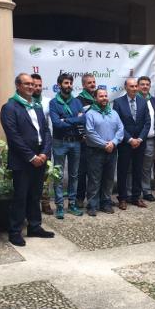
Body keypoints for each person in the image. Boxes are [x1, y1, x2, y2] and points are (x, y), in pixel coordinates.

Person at [0, 73, 54, 246]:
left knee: (35, 194)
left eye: (32, 84)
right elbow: (13, 136)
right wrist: (31, 157)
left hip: (40, 157)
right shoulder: (9, 107)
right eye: (27, 84)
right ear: (18, 85)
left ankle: (35, 226)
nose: (31, 87)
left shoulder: (37, 106)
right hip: (23, 160)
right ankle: (15, 231)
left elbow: (46, 131)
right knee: (21, 196)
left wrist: (44, 153)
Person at [49, 73, 85, 219]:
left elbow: (84, 120)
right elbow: (56, 123)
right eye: (66, 83)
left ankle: (71, 204)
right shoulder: (53, 103)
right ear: (59, 85)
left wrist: (66, 119)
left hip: (75, 142)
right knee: (58, 175)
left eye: (70, 83)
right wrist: (75, 119)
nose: (69, 85)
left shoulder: (77, 102)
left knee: (74, 175)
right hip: (59, 142)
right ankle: (59, 206)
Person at [84, 88, 124, 216]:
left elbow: (121, 129)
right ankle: (92, 205)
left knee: (108, 178)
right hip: (95, 151)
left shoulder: (113, 113)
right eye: (101, 96)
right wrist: (104, 144)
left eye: (106, 96)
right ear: (95, 98)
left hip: (112, 150)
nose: (104, 98)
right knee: (94, 179)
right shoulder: (90, 113)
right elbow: (89, 132)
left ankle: (105, 203)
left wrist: (113, 142)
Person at [113, 78, 151, 210]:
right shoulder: (118, 102)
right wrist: (130, 139)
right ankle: (122, 198)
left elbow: (147, 123)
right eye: (132, 86)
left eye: (136, 86)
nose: (135, 88)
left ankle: (136, 197)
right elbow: (118, 124)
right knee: (123, 170)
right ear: (126, 87)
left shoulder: (143, 101)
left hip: (140, 143)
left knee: (138, 170)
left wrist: (139, 139)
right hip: (125, 143)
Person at [31, 73, 53, 215]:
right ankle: (32, 203)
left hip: (45, 142)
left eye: (40, 85)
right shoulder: (26, 102)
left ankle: (45, 203)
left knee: (46, 175)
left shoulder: (47, 101)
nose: (37, 88)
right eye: (34, 85)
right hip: (31, 143)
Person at [76, 73, 97, 209]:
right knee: (82, 172)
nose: (93, 84)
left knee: (95, 173)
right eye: (89, 83)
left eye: (94, 82)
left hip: (97, 142)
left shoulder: (98, 98)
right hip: (84, 143)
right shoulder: (78, 100)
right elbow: (77, 121)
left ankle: (94, 199)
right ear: (83, 85)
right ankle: (79, 198)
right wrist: (82, 136)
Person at [136, 76, 155, 202]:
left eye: (147, 84)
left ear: (150, 86)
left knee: (147, 167)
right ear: (138, 86)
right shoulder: (134, 100)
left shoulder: (153, 100)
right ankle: (132, 191)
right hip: (136, 140)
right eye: (142, 84)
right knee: (133, 167)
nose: (145, 86)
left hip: (149, 139)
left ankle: (146, 191)